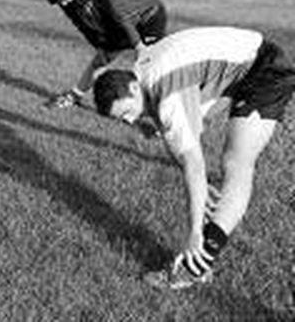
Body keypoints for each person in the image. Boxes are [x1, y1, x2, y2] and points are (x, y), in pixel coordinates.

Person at [92, 26, 295, 289]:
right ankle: (199, 261)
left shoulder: (166, 92)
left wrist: (195, 231)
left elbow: (193, 163)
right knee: (207, 158)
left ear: (133, 87)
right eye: (122, 119)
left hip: (264, 69)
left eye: (127, 112)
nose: (130, 120)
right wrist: (200, 184)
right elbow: (175, 138)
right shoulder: (142, 71)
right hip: (247, 61)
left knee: (237, 163)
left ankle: (196, 265)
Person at [44, 0, 168, 108]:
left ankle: (159, 105)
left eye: (63, 0)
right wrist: (99, 45)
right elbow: (82, 24)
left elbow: (119, 14)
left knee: (149, 63)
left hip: (148, 15)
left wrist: (139, 46)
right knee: (100, 60)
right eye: (60, 2)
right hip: (117, 22)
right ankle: (74, 96)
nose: (63, 4)